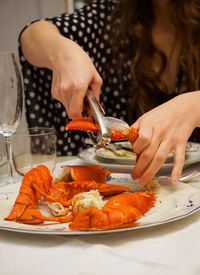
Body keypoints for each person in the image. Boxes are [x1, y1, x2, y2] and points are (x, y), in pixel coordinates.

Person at [19, 0, 200, 186]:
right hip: (122, 186)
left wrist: (194, 104)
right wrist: (62, 52)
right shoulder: (112, 16)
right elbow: (32, 34)